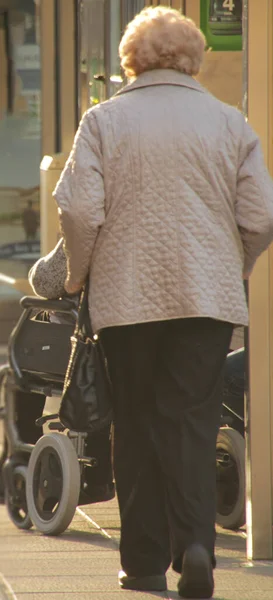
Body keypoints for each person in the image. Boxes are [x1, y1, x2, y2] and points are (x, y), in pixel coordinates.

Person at [52, 7, 273, 598]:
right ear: (192, 60)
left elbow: (76, 207)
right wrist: (235, 266)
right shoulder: (230, 122)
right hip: (206, 299)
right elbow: (260, 215)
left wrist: (77, 275)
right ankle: (197, 545)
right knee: (192, 422)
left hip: (126, 299)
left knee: (138, 423)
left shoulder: (103, 120)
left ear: (132, 59)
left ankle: (144, 562)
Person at [0, 238, 114, 505]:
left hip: (80, 352)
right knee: (106, 383)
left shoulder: (91, 219)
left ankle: (23, 462)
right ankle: (98, 477)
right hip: (136, 349)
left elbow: (44, 281)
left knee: (20, 375)